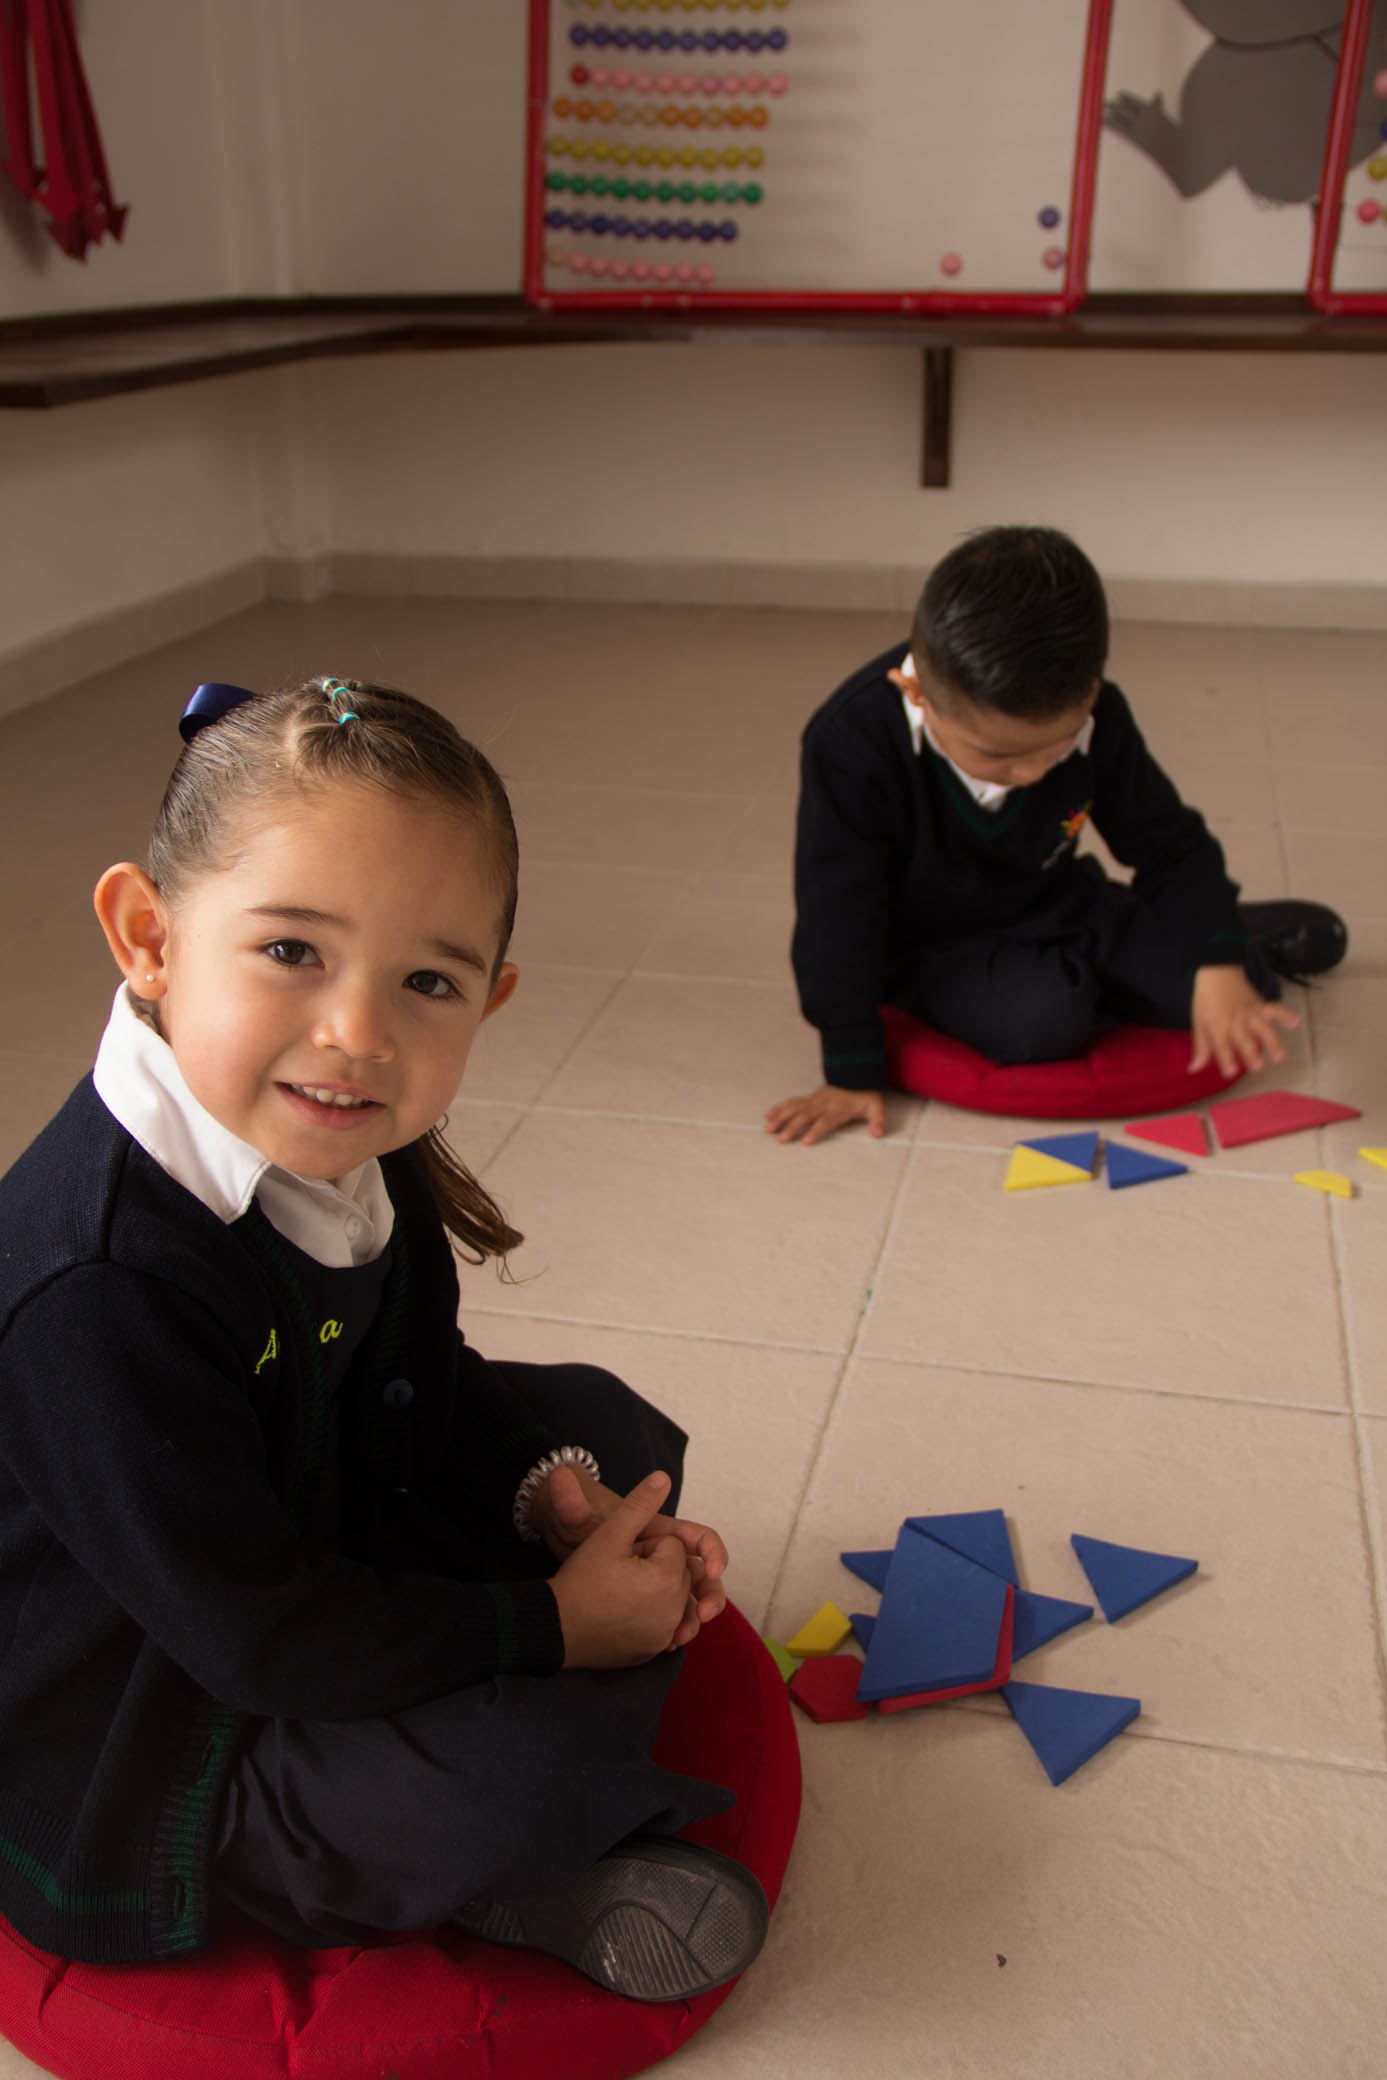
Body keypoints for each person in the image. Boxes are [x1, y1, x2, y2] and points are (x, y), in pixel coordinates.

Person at [0, 674, 769, 2001]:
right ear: (149, 935)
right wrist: (549, 1627)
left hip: (294, 1536)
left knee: (613, 1430)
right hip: (149, 1715)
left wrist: (549, 1497)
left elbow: (422, 1381)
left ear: (492, 998)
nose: (356, 1036)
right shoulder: (99, 1282)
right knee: (509, 1776)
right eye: (291, 951)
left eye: (426, 981)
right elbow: (254, 1638)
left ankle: (553, 1725)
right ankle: (523, 1867)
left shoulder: (344, 1128)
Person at [766, 526, 1347, 1146]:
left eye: (1057, 745)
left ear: (1091, 692)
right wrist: (851, 1067)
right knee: (1045, 1021)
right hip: (931, 947)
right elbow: (837, 913)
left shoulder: (1098, 713)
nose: (1034, 772)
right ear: (917, 694)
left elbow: (1168, 842)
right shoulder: (850, 742)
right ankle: (1133, 951)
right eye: (998, 755)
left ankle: (1220, 927)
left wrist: (1216, 957)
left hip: (1057, 903)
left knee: (1241, 984)